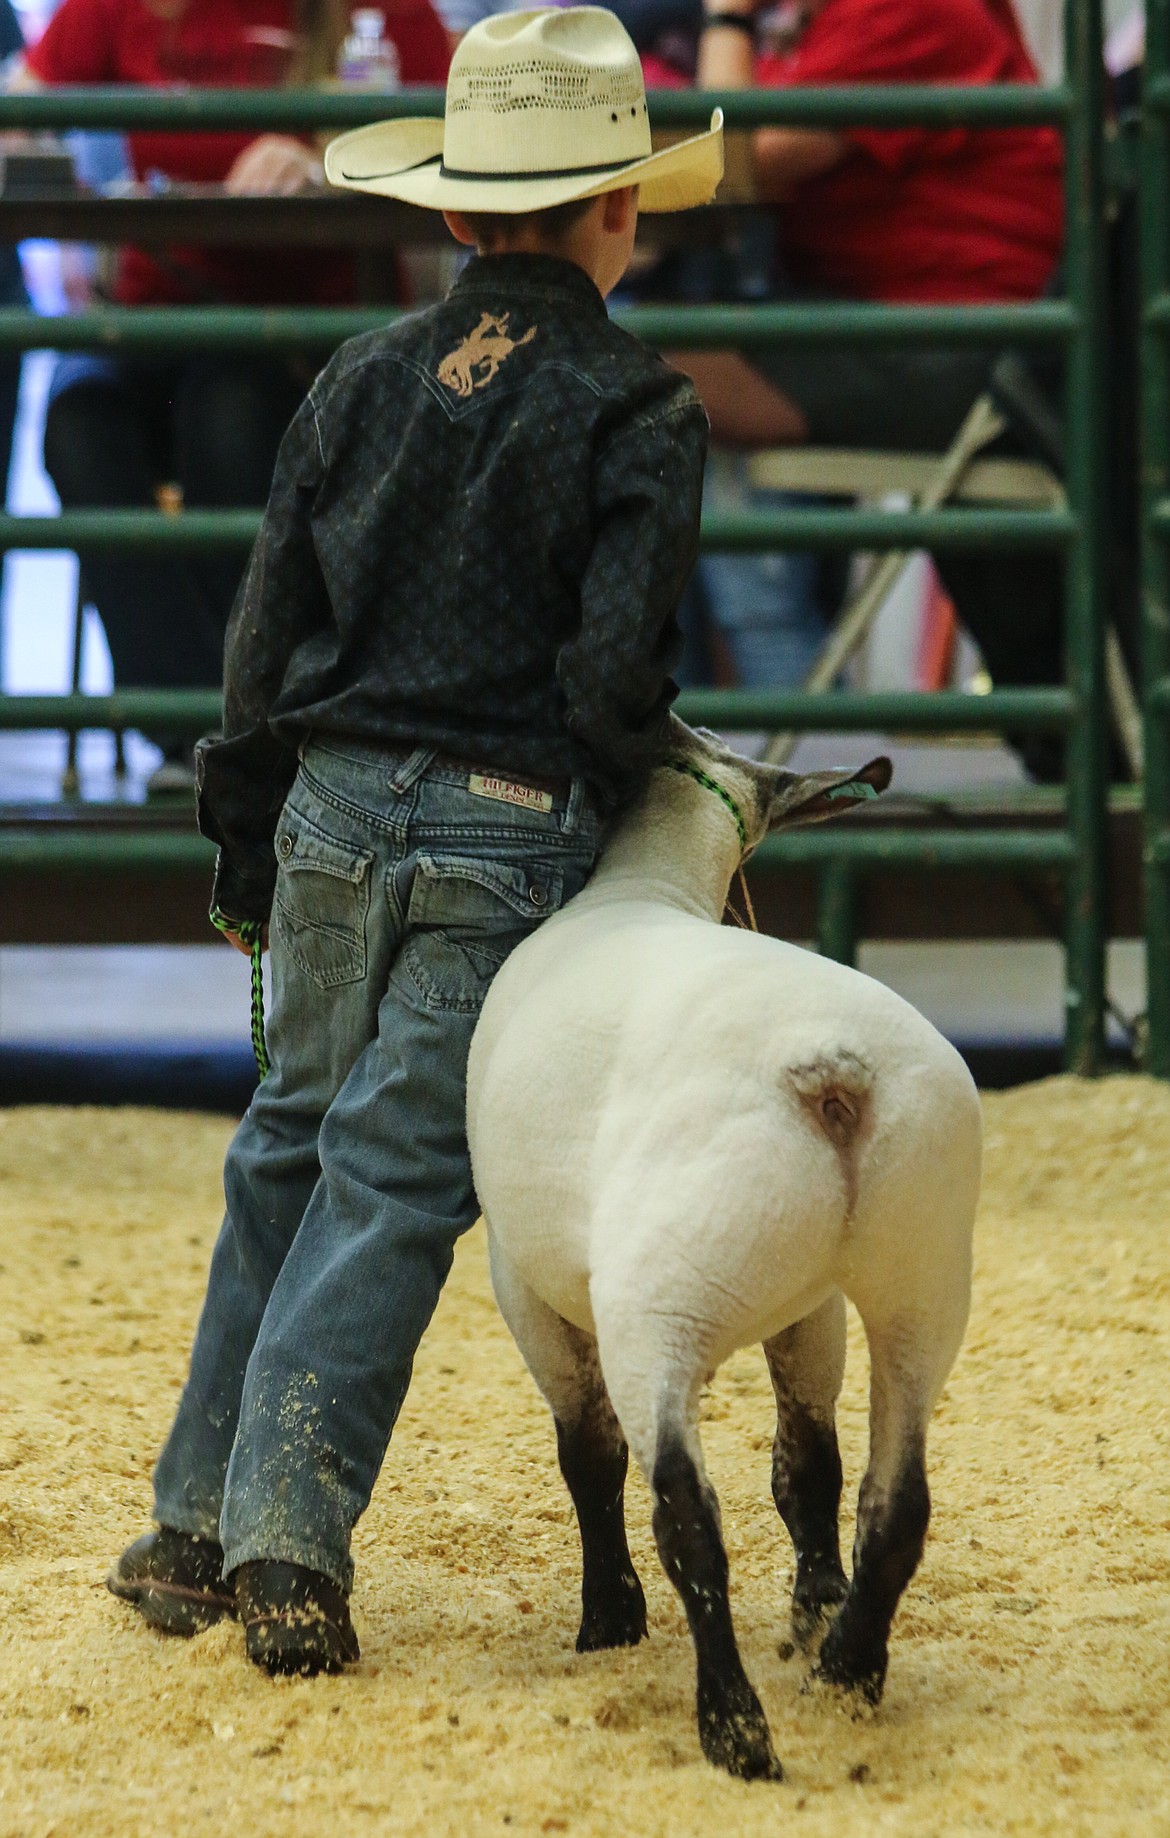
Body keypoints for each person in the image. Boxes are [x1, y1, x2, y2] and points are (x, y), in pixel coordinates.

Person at [106, 6, 720, 1676]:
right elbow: (610, 674)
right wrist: (628, 777)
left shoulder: (358, 377)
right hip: (503, 827)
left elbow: (265, 633)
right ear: (625, 207)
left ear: (453, 214)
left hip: (323, 807)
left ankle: (187, 1519)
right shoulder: (641, 408)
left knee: (286, 1139)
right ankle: (290, 1542)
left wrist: (243, 836)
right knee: (390, 1173)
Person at [14, 0, 450, 790]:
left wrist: (326, 159)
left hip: (307, 327)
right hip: (157, 311)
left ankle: (251, 717)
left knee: (231, 408)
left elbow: (447, 143)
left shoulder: (381, 11)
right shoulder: (119, 7)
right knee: (77, 413)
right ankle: (198, 728)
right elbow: (24, 97)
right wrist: (84, 187)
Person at [671, 0, 1066, 701]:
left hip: (975, 348)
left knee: (613, 369)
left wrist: (727, 19)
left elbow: (732, 165)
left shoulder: (908, 9)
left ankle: (797, 750)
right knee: (617, 365)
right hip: (903, 323)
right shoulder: (840, 19)